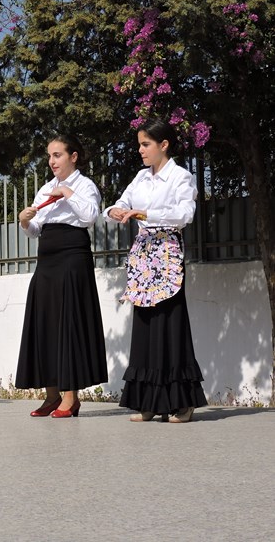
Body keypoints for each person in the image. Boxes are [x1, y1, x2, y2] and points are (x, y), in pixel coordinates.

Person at [104, 118, 206, 423]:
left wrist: (147, 213)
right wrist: (116, 211)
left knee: (170, 322)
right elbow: (118, 204)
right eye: (139, 144)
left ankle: (181, 402)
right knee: (145, 324)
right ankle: (148, 401)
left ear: (164, 145)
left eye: (146, 144)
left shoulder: (181, 177)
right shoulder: (140, 177)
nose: (140, 150)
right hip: (143, 254)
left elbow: (185, 214)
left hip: (167, 252)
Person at [15, 133, 108, 418]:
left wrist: (67, 192)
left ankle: (71, 398)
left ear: (73, 156)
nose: (52, 161)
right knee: (45, 322)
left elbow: (90, 217)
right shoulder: (45, 188)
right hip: (47, 260)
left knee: (69, 322)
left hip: (72, 256)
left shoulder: (85, 185)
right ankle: (52, 395)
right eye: (49, 156)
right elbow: (36, 229)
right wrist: (24, 221)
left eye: (57, 155)